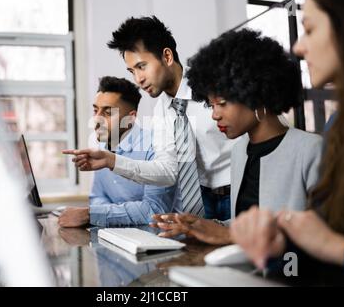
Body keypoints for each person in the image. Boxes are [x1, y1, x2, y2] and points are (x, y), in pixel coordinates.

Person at [230, 0, 344, 286]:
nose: (298, 47)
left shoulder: (315, 144)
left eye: (310, 29)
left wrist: (332, 246)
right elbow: (323, 241)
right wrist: (281, 248)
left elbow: (331, 243)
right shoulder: (339, 126)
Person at [151, 29, 322, 244]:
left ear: (255, 93)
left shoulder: (311, 150)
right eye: (211, 105)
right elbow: (245, 223)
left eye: (222, 103)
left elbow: (323, 233)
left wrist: (230, 234)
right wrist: (207, 226)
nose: (214, 114)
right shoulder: (240, 151)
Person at [63, 16, 237, 221]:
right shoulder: (161, 110)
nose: (138, 79)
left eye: (142, 66)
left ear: (167, 56)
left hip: (237, 192)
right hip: (200, 201)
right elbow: (167, 171)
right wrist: (112, 161)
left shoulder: (215, 85)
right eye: (132, 71)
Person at [58, 76, 180, 227]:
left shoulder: (156, 146)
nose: (96, 119)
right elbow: (97, 197)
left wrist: (90, 214)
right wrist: (112, 214)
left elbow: (154, 211)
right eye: (95, 110)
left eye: (108, 113)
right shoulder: (102, 148)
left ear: (130, 118)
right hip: (121, 234)